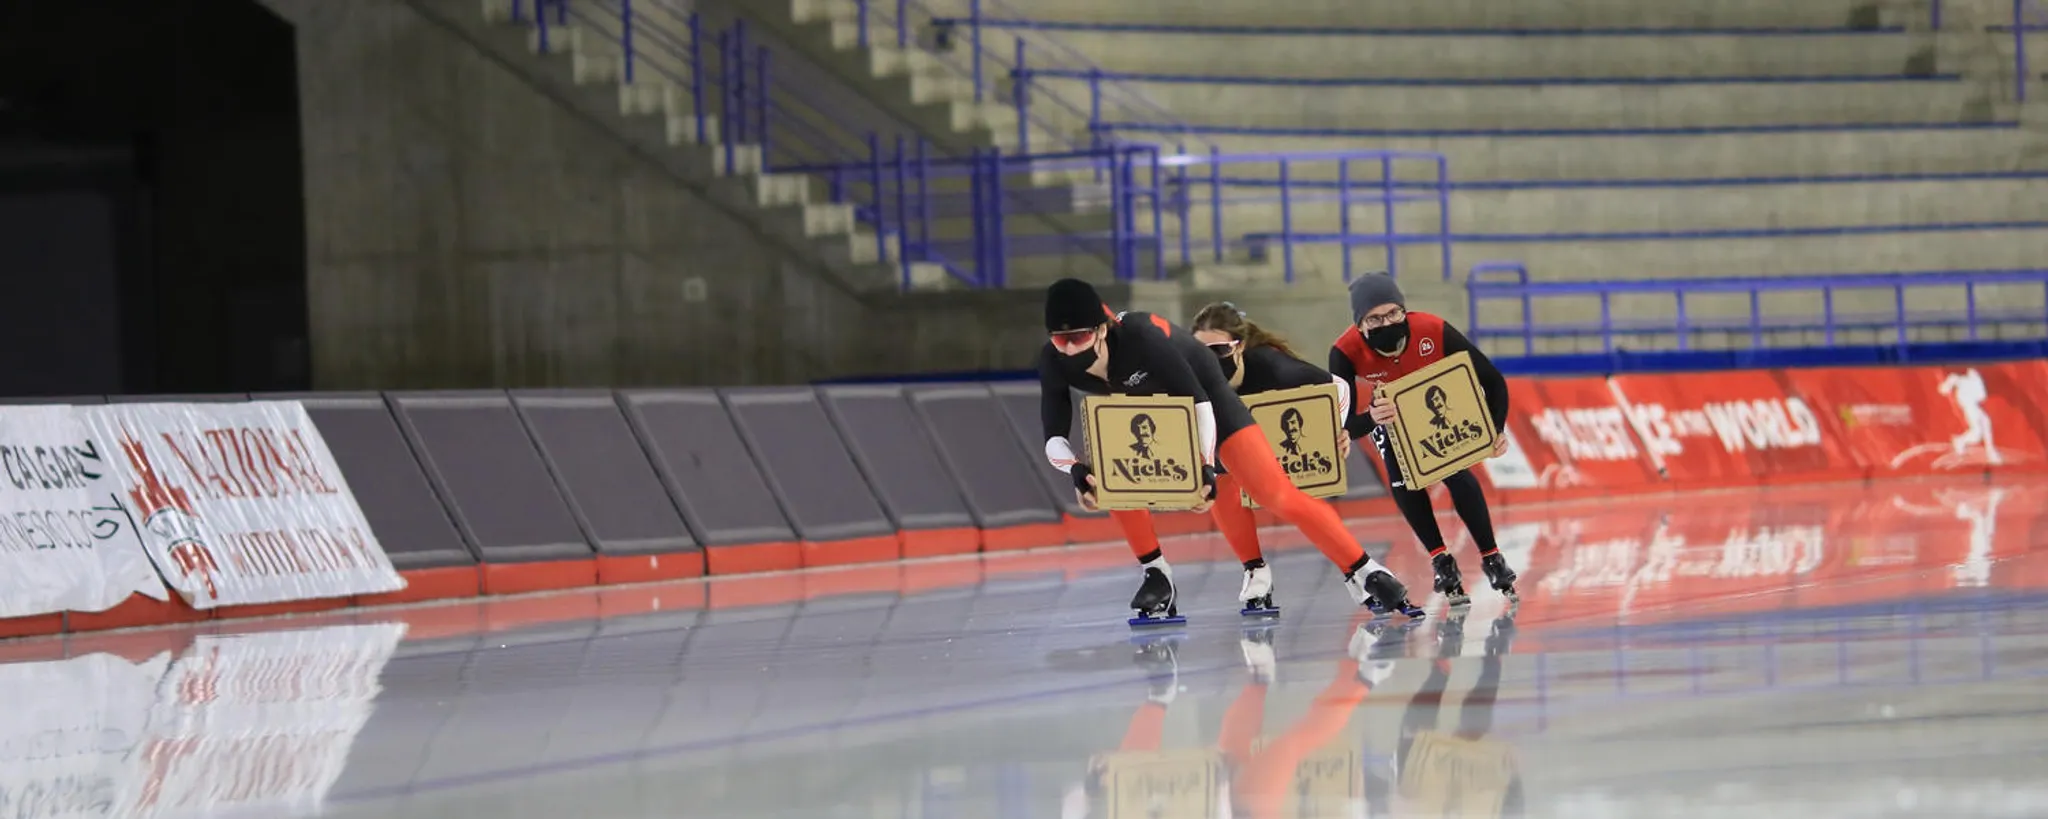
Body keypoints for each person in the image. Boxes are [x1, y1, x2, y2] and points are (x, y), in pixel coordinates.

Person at [1037, 279, 1423, 622]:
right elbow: (1053, 433)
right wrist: (1074, 469)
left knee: (1273, 493)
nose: (1070, 349)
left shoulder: (1141, 337)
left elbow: (1199, 403)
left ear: (1102, 331)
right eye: (1061, 340)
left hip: (1205, 399)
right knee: (1110, 472)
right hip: (1143, 410)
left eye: (1080, 338)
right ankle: (1156, 573)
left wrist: (1205, 467)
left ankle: (1364, 569)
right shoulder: (1055, 363)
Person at [1328, 273, 1520, 604]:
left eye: (1392, 314)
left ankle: (1492, 557)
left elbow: (1492, 379)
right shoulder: (1344, 352)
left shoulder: (1433, 330)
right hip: (1390, 416)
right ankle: (1441, 559)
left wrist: (1496, 428)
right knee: (1401, 478)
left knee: (1456, 473)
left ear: (1404, 311)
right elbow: (1342, 424)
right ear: (1359, 326)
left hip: (1435, 407)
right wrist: (1372, 417)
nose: (1386, 322)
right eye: (1374, 318)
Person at [1187, 300, 1358, 613]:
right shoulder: (1190, 378)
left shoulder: (1275, 368)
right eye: (1201, 354)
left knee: (1292, 498)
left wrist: (1335, 430)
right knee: (1221, 483)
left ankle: (1355, 569)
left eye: (1220, 351)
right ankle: (1255, 570)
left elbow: (1339, 387)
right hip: (1234, 433)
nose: (1209, 362)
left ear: (1239, 348)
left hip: (1276, 430)